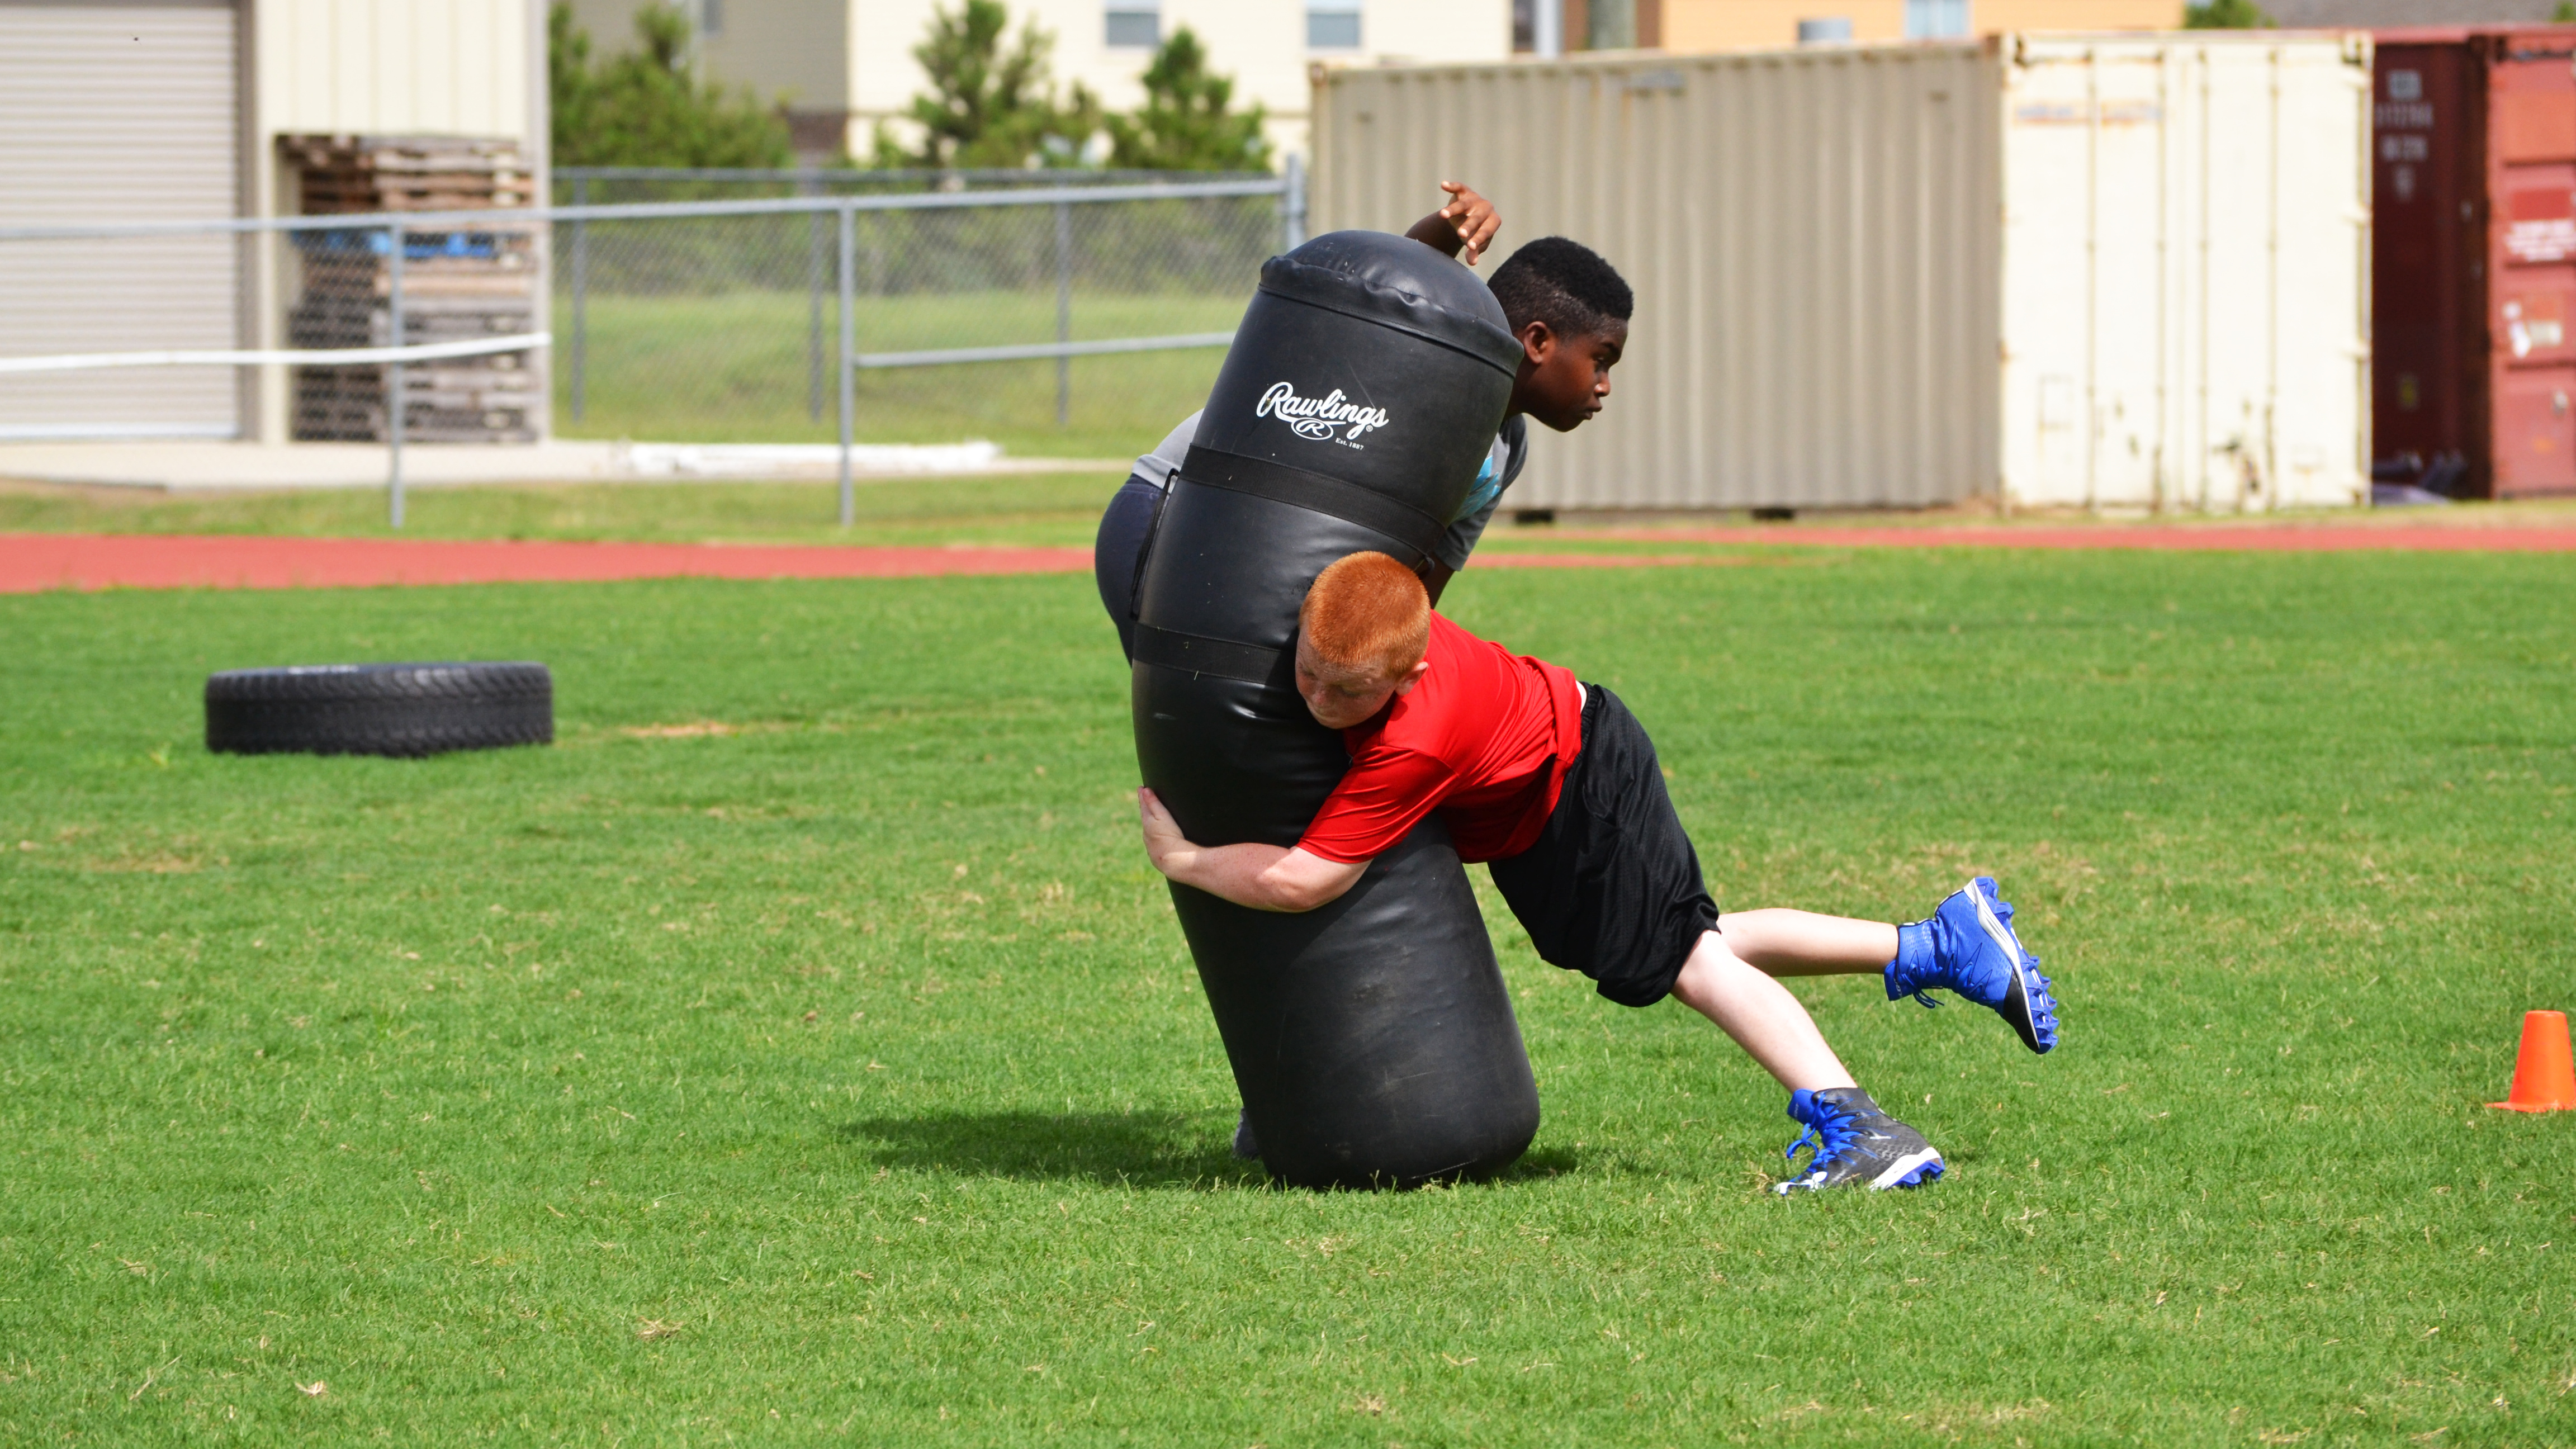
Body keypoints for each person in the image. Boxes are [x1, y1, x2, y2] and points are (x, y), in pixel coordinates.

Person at [1137, 551, 2063, 1194]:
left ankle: (1863, 1128)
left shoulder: (1413, 736)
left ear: (1409, 673)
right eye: (1306, 675)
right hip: (1542, 802)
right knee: (1676, 945)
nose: (1319, 701)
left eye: (1349, 692)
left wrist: (1184, 859)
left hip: (1577, 780)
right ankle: (1940, 946)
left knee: (1686, 963)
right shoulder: (1359, 612)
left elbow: (1305, 881)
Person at [1094, 183, 1632, 656]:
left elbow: (1418, 589)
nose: (1604, 386)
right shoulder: (1434, 363)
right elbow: (1385, 289)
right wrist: (1448, 230)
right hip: (1176, 511)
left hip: (1266, 558)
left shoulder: (1504, 452)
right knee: (1209, 726)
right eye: (1601, 360)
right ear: (1538, 342)